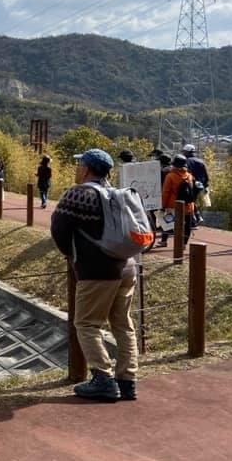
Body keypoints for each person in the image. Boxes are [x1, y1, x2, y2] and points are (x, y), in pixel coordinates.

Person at [50, 148, 138, 402]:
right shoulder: (118, 193)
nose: (77, 169)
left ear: (87, 169)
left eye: (79, 165)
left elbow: (59, 232)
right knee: (123, 325)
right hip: (127, 266)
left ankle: (103, 378)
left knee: (87, 324)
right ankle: (128, 381)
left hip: (98, 271)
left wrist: (74, 256)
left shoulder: (77, 194)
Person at [157, 154, 196, 247]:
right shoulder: (189, 176)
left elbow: (166, 192)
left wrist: (163, 206)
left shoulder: (170, 176)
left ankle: (163, 241)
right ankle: (184, 244)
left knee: (167, 223)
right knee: (187, 226)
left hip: (173, 205)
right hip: (188, 205)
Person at [182, 144, 209, 226]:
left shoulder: (186, 161)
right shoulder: (201, 161)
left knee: (189, 201)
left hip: (191, 184)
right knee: (193, 200)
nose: (183, 153)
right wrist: (206, 185)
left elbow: (186, 174)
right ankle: (195, 218)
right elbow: (206, 174)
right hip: (200, 185)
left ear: (187, 152)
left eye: (184, 151)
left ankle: (196, 217)